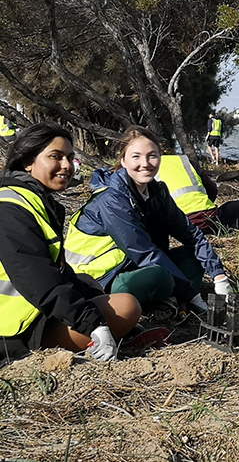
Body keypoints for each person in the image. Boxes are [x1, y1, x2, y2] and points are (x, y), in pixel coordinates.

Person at [0, 122, 140, 362]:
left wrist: (88, 301)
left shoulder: (37, 201)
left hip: (32, 310)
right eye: (55, 157)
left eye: (70, 157)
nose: (66, 166)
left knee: (86, 281)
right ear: (28, 162)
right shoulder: (10, 208)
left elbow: (58, 271)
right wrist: (93, 322)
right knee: (127, 306)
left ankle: (114, 332)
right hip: (12, 330)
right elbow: (38, 278)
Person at [64, 126, 231, 317]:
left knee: (193, 257)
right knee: (159, 276)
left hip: (132, 267)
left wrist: (219, 277)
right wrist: (193, 295)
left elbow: (190, 234)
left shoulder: (157, 192)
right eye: (136, 156)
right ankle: (169, 298)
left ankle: (168, 298)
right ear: (123, 161)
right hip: (99, 279)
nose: (145, 163)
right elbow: (143, 253)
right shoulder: (111, 199)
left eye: (152, 156)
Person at [157, 153, 239, 234]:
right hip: (208, 218)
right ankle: (219, 228)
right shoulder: (185, 161)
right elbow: (212, 189)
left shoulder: (149, 167)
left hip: (177, 224)